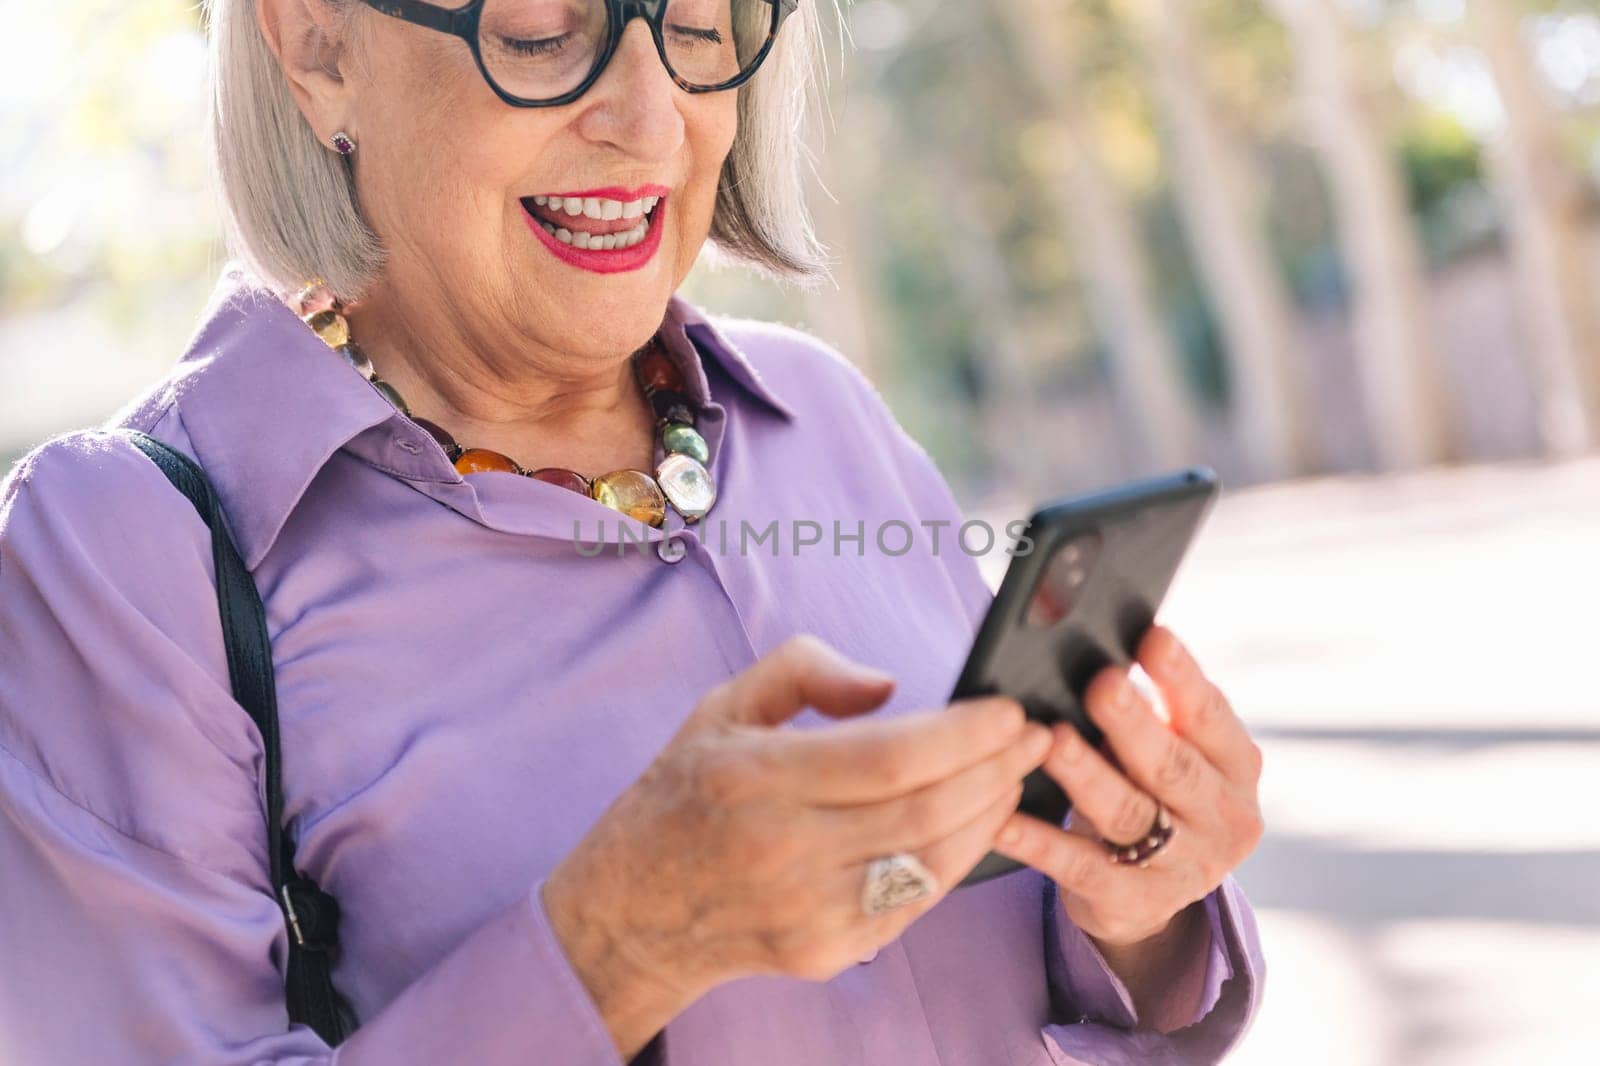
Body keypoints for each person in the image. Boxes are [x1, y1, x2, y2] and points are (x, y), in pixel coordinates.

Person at [0, 0, 1265, 1062]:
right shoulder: (123, 555)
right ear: (319, 42)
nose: (657, 121)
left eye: (703, 25)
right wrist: (612, 943)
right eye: (547, 33)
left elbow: (1015, 965)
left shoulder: (821, 413)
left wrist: (1139, 905)